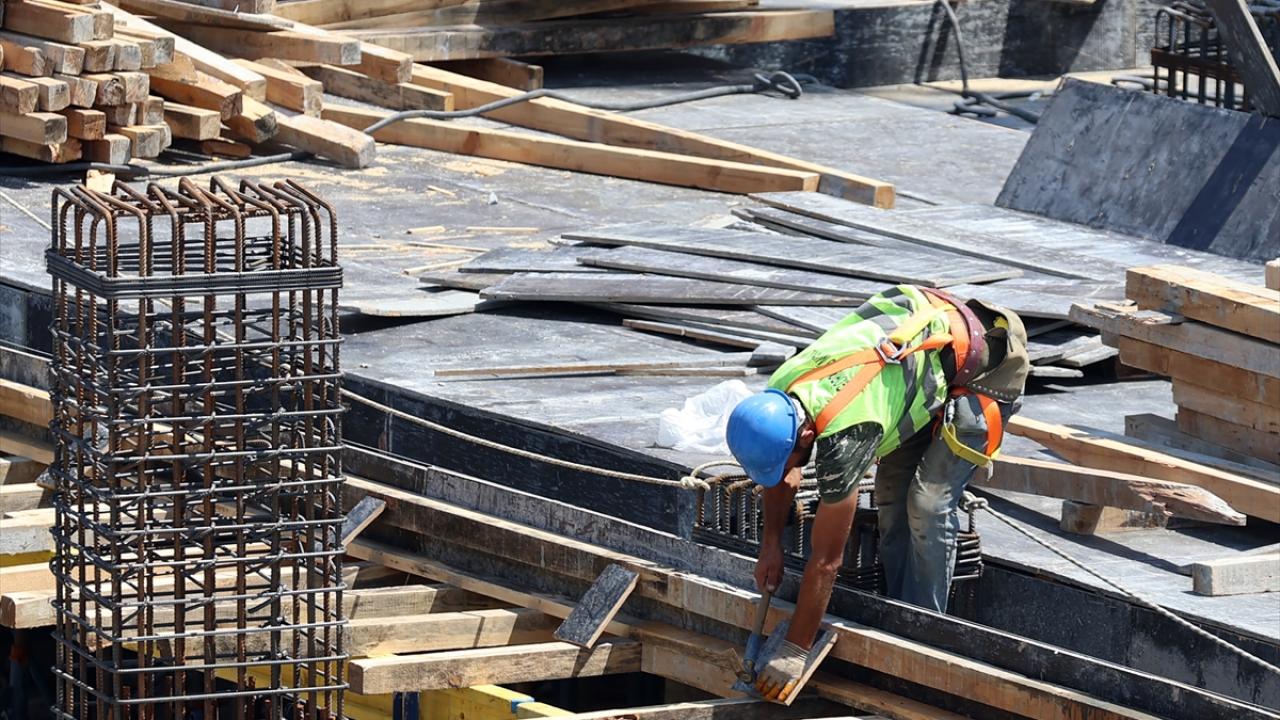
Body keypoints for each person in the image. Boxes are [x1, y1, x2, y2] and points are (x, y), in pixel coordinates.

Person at [725, 284, 1029, 702]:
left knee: (926, 503)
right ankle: (899, 612)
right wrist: (770, 544)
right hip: (925, 359)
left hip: (985, 369)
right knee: (890, 495)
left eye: (791, 461)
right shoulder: (782, 391)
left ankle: (923, 636)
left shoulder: (846, 434)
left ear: (807, 435)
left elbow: (827, 561)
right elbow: (781, 475)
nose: (789, 473)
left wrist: (796, 648)